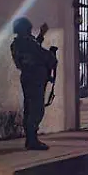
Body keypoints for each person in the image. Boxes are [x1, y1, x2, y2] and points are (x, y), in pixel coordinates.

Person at [10, 18, 57, 151]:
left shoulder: (16, 44)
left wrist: (41, 35)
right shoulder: (28, 43)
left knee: (29, 108)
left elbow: (34, 49)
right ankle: (32, 140)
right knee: (37, 109)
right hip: (35, 79)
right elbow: (43, 55)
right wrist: (52, 55)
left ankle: (30, 139)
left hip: (27, 77)